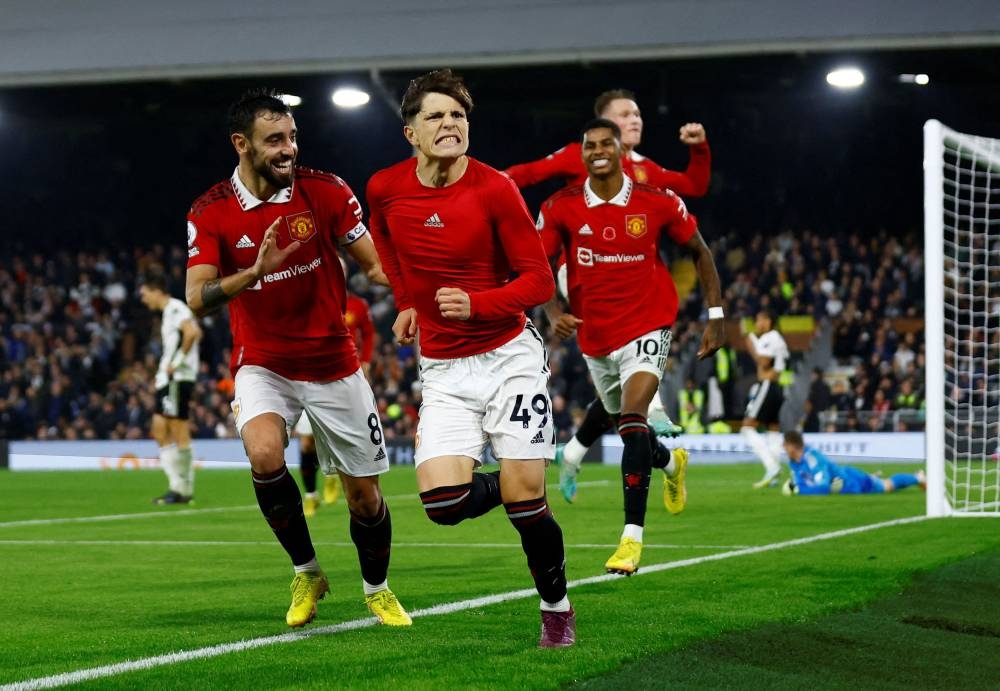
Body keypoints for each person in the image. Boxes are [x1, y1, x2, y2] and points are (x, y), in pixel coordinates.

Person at [184, 88, 410, 628]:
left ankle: (376, 588)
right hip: (262, 362)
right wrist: (253, 274)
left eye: (291, 137)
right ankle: (307, 570)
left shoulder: (325, 191)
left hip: (334, 362)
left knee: (365, 499)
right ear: (241, 144)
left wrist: (416, 295)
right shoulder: (211, 211)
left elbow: (376, 266)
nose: (288, 150)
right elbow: (198, 295)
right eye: (274, 141)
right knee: (264, 453)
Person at [366, 69, 574, 647]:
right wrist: (407, 301)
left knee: (527, 497)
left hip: (509, 358)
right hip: (444, 369)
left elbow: (537, 281)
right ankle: (510, 486)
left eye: (458, 115)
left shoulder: (494, 188)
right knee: (442, 504)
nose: (450, 124)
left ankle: (555, 607)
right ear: (410, 131)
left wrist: (478, 304)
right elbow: (382, 238)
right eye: (435, 116)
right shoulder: (384, 186)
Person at [537, 117, 725, 575]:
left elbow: (700, 251)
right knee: (623, 418)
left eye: (607, 144)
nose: (598, 150)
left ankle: (630, 540)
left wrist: (716, 317)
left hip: (649, 323)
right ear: (582, 154)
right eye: (590, 145)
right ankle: (670, 463)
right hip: (596, 335)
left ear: (621, 152)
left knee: (635, 418)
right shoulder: (560, 207)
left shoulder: (656, 202)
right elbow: (537, 263)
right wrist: (553, 313)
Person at [506, 88, 711, 196]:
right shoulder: (579, 154)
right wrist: (487, 182)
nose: (635, 121)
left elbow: (694, 186)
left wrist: (699, 148)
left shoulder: (647, 168)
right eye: (625, 115)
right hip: (583, 265)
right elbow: (530, 173)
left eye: (637, 115)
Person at [300, 257, 376, 517]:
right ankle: (310, 494)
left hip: (345, 376)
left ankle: (333, 474)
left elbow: (369, 334)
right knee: (307, 443)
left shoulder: (356, 305)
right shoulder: (308, 303)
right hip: (309, 377)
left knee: (341, 436)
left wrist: (365, 361)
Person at [139, 270, 203, 505]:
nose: (144, 299)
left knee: (178, 429)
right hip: (169, 379)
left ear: (157, 291)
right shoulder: (169, 312)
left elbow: (193, 332)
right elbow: (197, 331)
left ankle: (182, 489)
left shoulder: (175, 308)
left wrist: (175, 364)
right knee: (159, 429)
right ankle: (178, 486)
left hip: (177, 378)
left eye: (145, 294)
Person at [781, 430, 926, 495]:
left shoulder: (813, 458)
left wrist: (800, 491)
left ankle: (918, 477)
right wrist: (797, 487)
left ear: (793, 446)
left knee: (886, 486)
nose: (783, 448)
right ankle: (916, 477)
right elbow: (802, 484)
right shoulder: (794, 462)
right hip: (846, 483)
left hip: (854, 482)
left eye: (785, 444)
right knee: (883, 484)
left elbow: (823, 488)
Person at [741, 309, 790, 489]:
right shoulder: (778, 338)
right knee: (773, 430)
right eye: (757, 320)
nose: (759, 323)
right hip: (776, 386)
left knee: (747, 427)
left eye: (763, 319)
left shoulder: (770, 337)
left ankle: (772, 467)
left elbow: (763, 363)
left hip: (768, 385)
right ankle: (775, 476)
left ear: (771, 321)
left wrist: (752, 344)